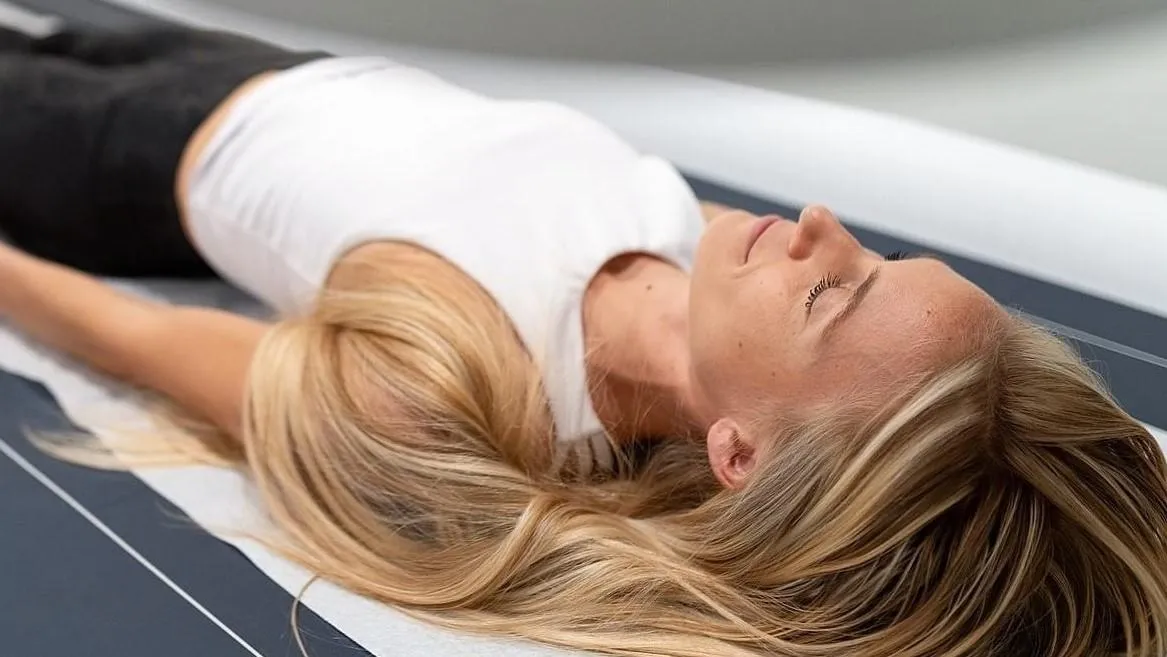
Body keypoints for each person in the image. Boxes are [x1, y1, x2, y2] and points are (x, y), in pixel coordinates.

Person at [2, 23, 1165, 657]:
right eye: (870, 256)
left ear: (741, 453)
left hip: (113, 160)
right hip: (296, 71)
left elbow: (124, 328)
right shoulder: (709, 257)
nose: (819, 227)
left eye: (830, 297)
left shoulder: (452, 378)